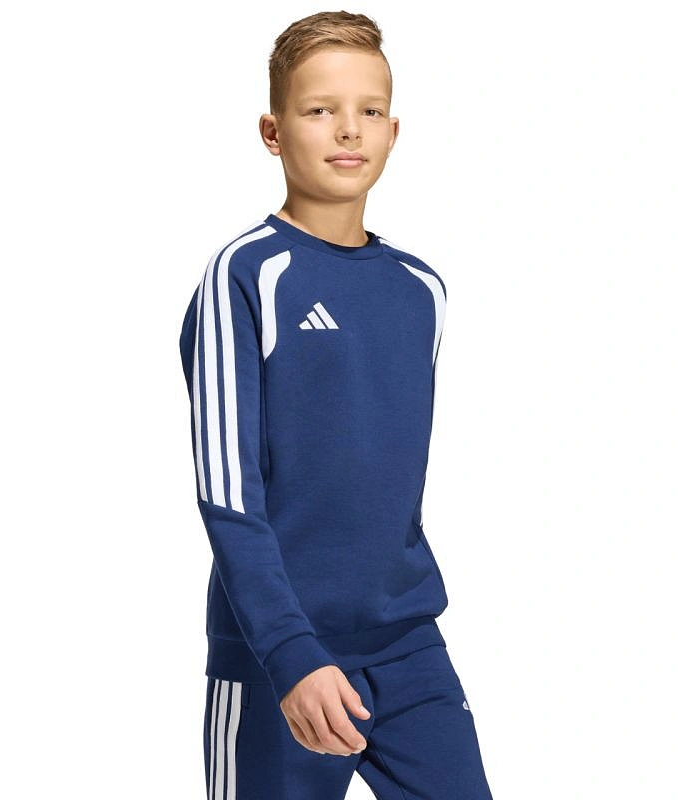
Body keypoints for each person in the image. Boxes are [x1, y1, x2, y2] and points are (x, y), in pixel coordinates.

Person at [178, 10, 494, 799]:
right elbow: (227, 494)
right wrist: (290, 654)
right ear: (273, 131)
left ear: (393, 131)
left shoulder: (420, 290)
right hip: (278, 653)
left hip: (408, 646)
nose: (349, 129)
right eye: (320, 109)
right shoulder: (245, 275)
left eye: (370, 110)